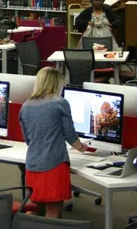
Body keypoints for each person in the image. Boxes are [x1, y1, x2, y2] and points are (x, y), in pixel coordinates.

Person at [18, 68, 88, 219]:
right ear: (57, 84)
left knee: (33, 207)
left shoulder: (25, 106)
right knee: (53, 211)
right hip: (54, 164)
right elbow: (69, 134)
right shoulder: (60, 103)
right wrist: (82, 148)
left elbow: (27, 139)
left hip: (32, 165)